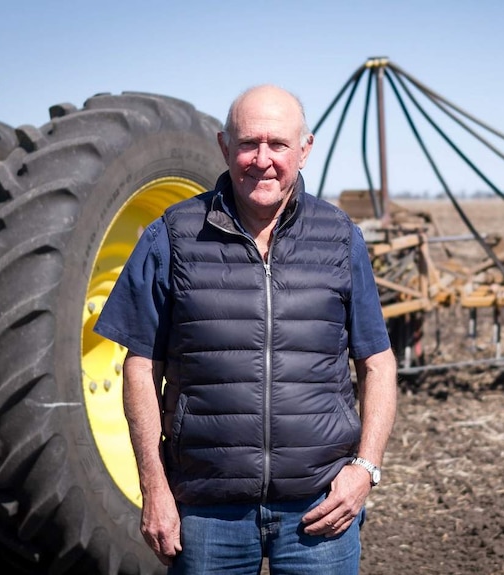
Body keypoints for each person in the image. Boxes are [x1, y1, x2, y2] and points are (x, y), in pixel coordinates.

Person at [93, 84, 398, 574]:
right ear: (223, 147)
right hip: (206, 510)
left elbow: (377, 362)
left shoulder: (339, 237)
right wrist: (153, 487)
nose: (262, 160)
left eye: (277, 144)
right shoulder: (173, 234)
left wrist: (365, 470)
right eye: (247, 144)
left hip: (319, 509)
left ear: (304, 149)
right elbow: (140, 367)